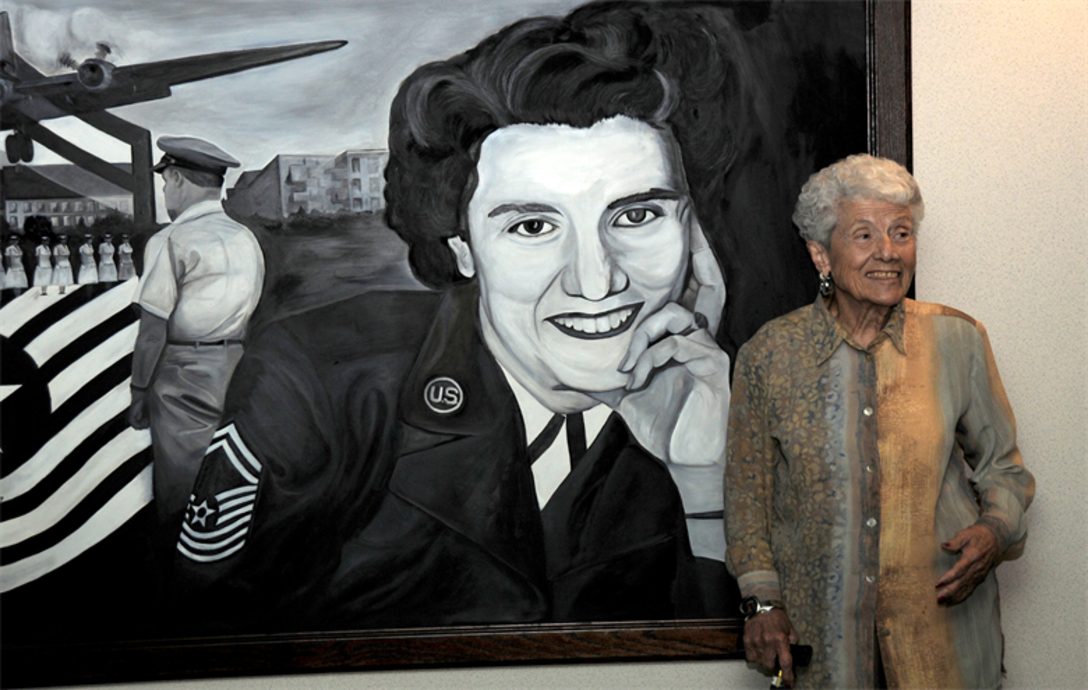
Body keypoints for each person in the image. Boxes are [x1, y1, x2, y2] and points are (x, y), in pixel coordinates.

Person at [174, 3, 741, 633]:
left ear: (691, 233)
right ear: (463, 247)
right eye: (533, 227)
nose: (596, 283)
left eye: (636, 216)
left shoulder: (724, 398)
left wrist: (704, 483)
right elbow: (211, 630)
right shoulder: (318, 382)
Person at [725, 154, 1034, 689]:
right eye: (864, 235)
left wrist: (993, 530)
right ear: (821, 254)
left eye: (901, 233)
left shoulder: (958, 341)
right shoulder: (769, 355)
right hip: (823, 644)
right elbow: (747, 498)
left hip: (942, 640)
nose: (888, 251)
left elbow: (1004, 469)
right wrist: (761, 603)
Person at [128, 135, 265, 537]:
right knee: (231, 477)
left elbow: (152, 333)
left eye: (166, 182)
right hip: (238, 367)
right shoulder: (245, 238)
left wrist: (139, 392)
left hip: (183, 375)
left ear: (177, 178)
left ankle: (182, 558)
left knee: (182, 484)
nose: (166, 192)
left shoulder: (170, 240)